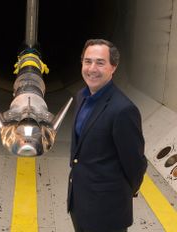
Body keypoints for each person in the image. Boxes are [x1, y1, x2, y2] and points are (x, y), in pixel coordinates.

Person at [67, 39, 147, 232]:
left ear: (114, 67)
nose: (92, 68)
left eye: (100, 62)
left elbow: (135, 164)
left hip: (107, 213)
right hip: (79, 205)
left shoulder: (123, 110)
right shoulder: (81, 97)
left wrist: (120, 194)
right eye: (87, 61)